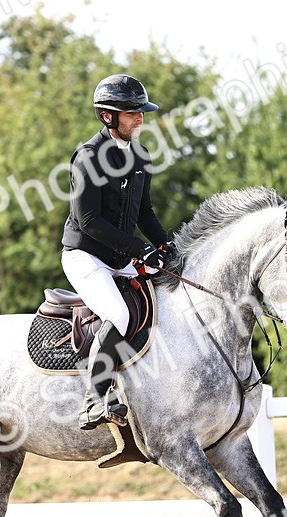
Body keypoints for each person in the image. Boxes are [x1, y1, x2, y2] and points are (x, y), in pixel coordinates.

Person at [61, 73, 175, 430]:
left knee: (169, 299)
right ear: (108, 116)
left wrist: (165, 246)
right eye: (132, 112)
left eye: (142, 111)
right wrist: (140, 249)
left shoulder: (140, 155)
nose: (140, 117)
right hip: (86, 256)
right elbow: (90, 220)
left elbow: (145, 213)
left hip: (120, 256)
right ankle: (95, 399)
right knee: (120, 314)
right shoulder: (87, 157)